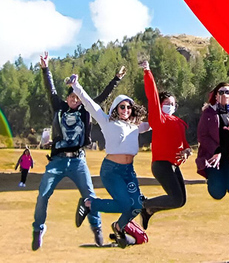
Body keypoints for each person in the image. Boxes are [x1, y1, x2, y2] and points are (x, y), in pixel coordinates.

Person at [32, 52, 108, 250]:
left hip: (78, 161)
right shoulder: (59, 106)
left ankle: (97, 228)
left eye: (77, 97)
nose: (74, 99)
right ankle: (38, 229)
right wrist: (45, 68)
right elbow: (51, 89)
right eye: (71, 97)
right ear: (66, 98)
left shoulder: (85, 111)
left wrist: (115, 80)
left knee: (90, 196)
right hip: (57, 160)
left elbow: (101, 98)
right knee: (42, 195)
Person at [69, 74, 151, 249]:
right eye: (122, 107)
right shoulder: (107, 121)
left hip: (129, 171)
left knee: (136, 205)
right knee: (125, 203)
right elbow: (89, 103)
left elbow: (155, 123)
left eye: (129, 107)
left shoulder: (135, 125)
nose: (126, 110)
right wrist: (76, 85)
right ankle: (89, 204)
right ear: (116, 107)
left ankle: (118, 227)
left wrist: (166, 110)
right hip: (111, 171)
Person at [137, 60, 192, 229]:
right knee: (175, 199)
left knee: (180, 201)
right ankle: (144, 204)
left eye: (173, 104)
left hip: (174, 165)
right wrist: (147, 72)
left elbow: (185, 145)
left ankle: (149, 210)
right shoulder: (158, 118)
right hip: (162, 165)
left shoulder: (179, 122)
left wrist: (187, 151)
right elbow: (152, 95)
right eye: (167, 103)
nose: (171, 106)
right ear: (160, 106)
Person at [196, 81, 229, 200]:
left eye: (228, 92)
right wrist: (217, 150)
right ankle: (215, 179)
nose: (225, 95)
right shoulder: (208, 113)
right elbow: (202, 136)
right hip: (214, 156)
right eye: (221, 92)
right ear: (216, 96)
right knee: (217, 193)